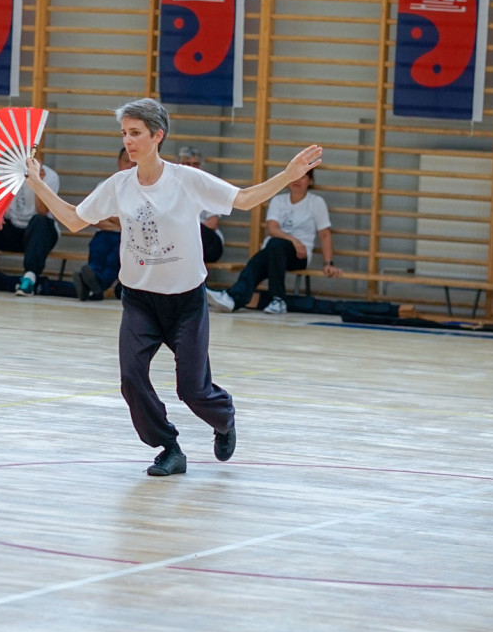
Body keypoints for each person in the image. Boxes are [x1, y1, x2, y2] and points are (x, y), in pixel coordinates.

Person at [23, 97, 322, 476]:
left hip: (186, 304)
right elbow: (74, 219)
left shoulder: (186, 180)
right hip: (139, 303)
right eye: (124, 133)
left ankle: (224, 418)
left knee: (193, 390)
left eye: (135, 133)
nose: (128, 141)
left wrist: (287, 174)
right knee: (131, 380)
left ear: (157, 135)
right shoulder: (118, 185)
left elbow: (244, 199)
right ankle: (169, 447)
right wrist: (37, 183)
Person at [205, 167, 342, 315]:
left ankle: (275, 298)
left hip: (299, 255)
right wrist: (293, 240)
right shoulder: (278, 200)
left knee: (273, 246)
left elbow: (325, 234)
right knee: (261, 259)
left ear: (310, 181)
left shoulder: (316, 202)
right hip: (275, 250)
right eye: (295, 176)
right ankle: (233, 299)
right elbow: (272, 228)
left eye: (303, 177)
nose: (297, 180)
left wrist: (328, 263)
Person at [0, 162, 61, 297]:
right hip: (12, 230)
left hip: (38, 235)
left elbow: (42, 211)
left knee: (40, 221)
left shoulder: (50, 176)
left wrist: (38, 183)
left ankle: (29, 279)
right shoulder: (3, 172)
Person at [72, 147, 133, 301]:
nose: (130, 165)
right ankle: (93, 285)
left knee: (114, 259)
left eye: (134, 162)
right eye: (126, 161)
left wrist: (110, 218)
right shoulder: (105, 185)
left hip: (128, 238)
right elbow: (92, 217)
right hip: (104, 233)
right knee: (97, 250)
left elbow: (134, 222)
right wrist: (118, 221)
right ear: (119, 162)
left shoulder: (143, 189)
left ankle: (94, 286)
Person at [178, 147, 225, 265]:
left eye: (195, 164)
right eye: (187, 164)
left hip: (208, 242)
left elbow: (212, 223)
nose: (192, 168)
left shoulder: (209, 188)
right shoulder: (170, 188)